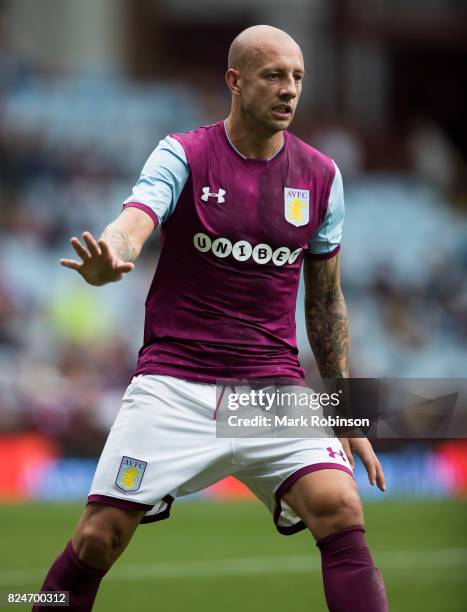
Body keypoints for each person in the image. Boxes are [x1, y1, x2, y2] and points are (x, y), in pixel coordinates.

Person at [34, 25, 388, 612]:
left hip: (271, 389)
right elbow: (135, 218)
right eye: (274, 75)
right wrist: (114, 255)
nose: (289, 90)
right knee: (99, 537)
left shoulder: (323, 176)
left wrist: (346, 411)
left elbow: (326, 302)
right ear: (235, 81)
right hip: (176, 383)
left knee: (342, 507)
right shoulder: (184, 153)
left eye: (297, 78)